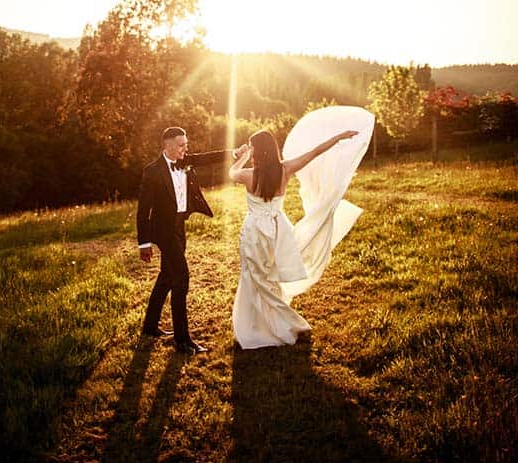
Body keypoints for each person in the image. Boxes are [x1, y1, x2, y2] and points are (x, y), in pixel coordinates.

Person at [229, 105, 375, 349]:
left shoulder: (248, 175)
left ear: (257, 152)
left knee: (254, 277)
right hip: (278, 229)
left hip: (255, 231)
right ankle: (279, 323)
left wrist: (242, 155)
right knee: (270, 278)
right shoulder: (285, 168)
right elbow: (316, 151)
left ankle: (276, 324)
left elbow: (231, 172)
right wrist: (340, 137)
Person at [137, 126, 246, 354]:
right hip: (163, 231)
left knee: (167, 276)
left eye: (186, 145)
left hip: (179, 228)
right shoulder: (152, 171)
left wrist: (234, 152)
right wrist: (144, 243)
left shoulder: (185, 161)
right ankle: (182, 339)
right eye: (180, 145)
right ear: (166, 145)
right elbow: (143, 210)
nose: (185, 149)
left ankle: (149, 327)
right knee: (181, 278)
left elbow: (208, 158)